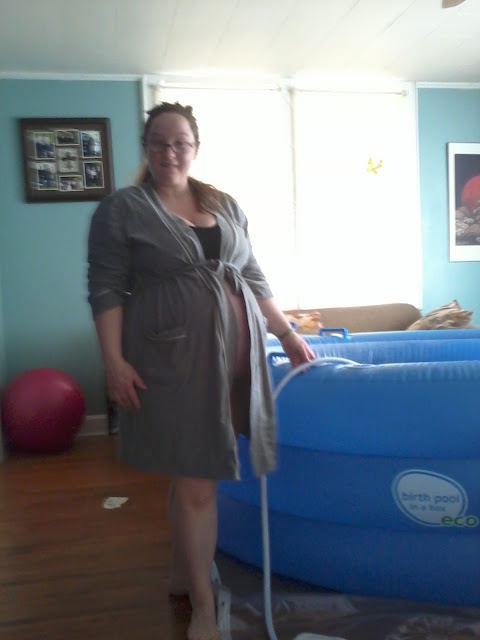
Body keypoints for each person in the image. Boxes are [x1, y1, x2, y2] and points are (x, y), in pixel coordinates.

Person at [87, 101, 314, 640]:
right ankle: (204, 607)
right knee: (196, 480)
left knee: (187, 471)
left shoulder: (223, 203)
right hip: (174, 362)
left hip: (235, 365)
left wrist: (286, 333)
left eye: (180, 143)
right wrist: (113, 361)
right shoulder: (122, 209)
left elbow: (253, 274)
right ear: (145, 147)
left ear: (195, 148)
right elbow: (106, 288)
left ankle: (179, 572)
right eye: (158, 142)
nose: (169, 152)